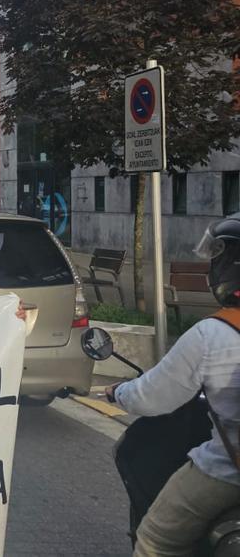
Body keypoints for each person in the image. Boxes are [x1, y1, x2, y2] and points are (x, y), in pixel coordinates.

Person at [104, 217, 240, 555]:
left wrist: (117, 392)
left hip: (228, 472)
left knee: (153, 542)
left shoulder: (213, 333)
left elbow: (154, 398)